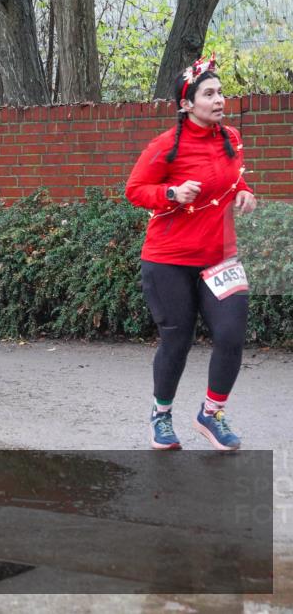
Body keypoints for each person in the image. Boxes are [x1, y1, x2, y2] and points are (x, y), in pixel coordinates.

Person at [126, 54, 256, 451]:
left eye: (221, 93)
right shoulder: (165, 146)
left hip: (220, 256)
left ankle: (211, 414)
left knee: (232, 334)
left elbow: (232, 181)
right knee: (177, 341)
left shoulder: (230, 138)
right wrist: (171, 193)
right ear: (187, 104)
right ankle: (161, 416)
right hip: (169, 260)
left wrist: (245, 193)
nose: (219, 100)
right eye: (209, 94)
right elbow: (134, 191)